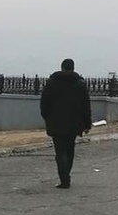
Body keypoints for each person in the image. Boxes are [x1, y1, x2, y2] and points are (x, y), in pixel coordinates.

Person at [39, 58, 92, 189]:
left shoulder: (52, 83)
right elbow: (86, 106)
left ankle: (64, 179)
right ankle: (66, 174)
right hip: (74, 124)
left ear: (62, 67)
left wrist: (48, 118)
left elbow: (44, 104)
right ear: (73, 68)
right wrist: (87, 124)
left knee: (60, 151)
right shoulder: (80, 84)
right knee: (70, 150)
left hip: (56, 123)